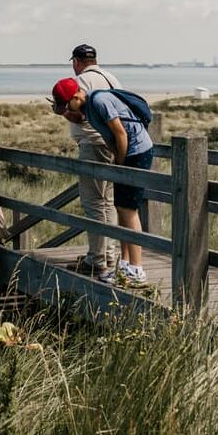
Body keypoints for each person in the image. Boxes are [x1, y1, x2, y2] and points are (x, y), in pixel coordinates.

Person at [51, 77, 153, 288]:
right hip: (128, 153)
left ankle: (137, 270)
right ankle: (125, 265)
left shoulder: (99, 101)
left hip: (137, 151)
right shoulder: (87, 108)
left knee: (129, 211)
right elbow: (109, 137)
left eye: (67, 104)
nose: (67, 108)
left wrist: (121, 166)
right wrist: (116, 157)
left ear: (77, 95)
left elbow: (121, 134)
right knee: (121, 207)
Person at [58, 44, 122, 279]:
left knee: (94, 203)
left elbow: (79, 115)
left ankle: (95, 260)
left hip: (93, 145)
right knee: (108, 202)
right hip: (114, 145)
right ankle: (108, 255)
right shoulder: (112, 79)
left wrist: (61, 110)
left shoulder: (82, 83)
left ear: (76, 61)